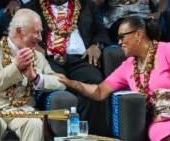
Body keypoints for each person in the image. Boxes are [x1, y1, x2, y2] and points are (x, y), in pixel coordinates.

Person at [53, 16, 170, 141]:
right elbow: (99, 91)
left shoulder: (169, 50)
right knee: (166, 136)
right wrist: (71, 83)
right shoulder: (128, 66)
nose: (119, 42)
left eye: (122, 37)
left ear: (138, 35)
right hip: (162, 119)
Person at [20, 0, 111, 136]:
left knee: (95, 81)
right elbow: (16, 32)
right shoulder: (31, 7)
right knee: (56, 83)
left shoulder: (86, 5)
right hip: (49, 58)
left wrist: (96, 45)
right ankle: (59, 136)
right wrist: (31, 45)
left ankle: (92, 135)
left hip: (80, 58)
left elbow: (101, 30)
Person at [0, 8, 66, 141]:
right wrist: (15, 67)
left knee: (34, 123)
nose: (40, 38)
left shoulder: (38, 56)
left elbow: (60, 83)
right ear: (19, 31)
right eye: (36, 32)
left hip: (23, 110)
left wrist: (36, 78)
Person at [101, 0, 169, 43]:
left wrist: (158, 12)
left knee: (153, 27)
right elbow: (94, 3)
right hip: (118, 21)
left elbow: (163, 1)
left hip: (143, 18)